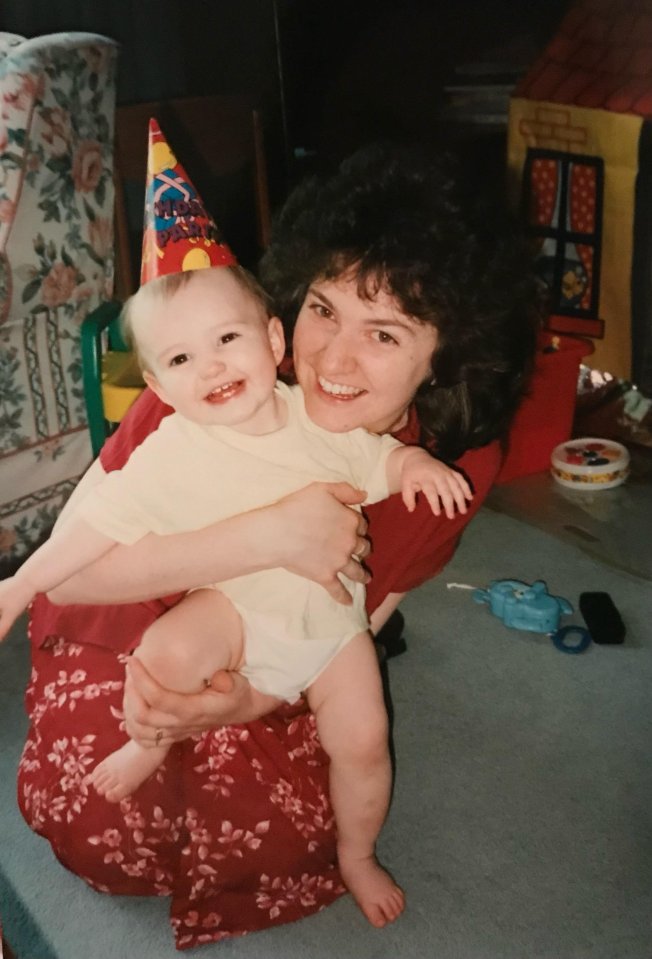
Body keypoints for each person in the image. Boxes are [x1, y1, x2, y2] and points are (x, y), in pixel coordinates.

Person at [17, 143, 540, 950]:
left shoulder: (452, 464)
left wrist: (243, 703)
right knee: (101, 825)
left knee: (294, 827)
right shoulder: (219, 365)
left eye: (386, 334)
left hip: (282, 635)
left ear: (446, 356)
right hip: (127, 607)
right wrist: (261, 535)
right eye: (324, 308)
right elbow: (78, 577)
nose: (332, 357)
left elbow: (350, 626)